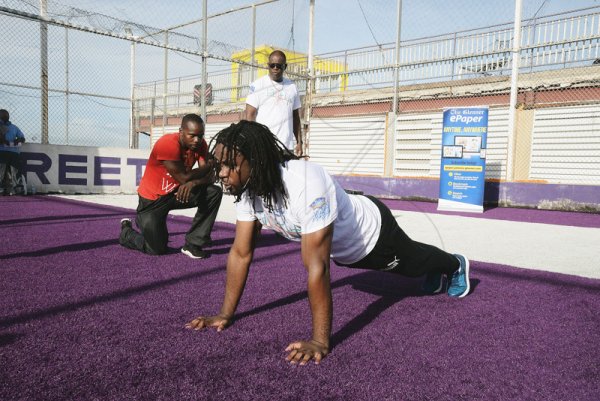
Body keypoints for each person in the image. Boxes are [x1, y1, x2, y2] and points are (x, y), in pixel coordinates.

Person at [186, 121, 471, 365]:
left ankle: (455, 264)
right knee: (415, 264)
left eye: (229, 165)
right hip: (344, 251)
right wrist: (224, 314)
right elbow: (240, 253)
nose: (222, 173)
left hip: (372, 236)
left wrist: (319, 342)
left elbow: (316, 267)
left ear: (256, 161)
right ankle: (438, 268)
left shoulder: (304, 183)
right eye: (219, 165)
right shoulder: (248, 190)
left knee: (413, 264)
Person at [119, 113, 222, 259]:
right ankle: (126, 233)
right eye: (192, 135)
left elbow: (210, 178)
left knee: (213, 192)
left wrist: (194, 183)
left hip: (178, 194)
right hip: (153, 201)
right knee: (156, 249)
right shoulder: (167, 144)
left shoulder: (200, 144)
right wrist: (207, 168)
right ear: (181, 132)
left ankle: (193, 244)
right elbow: (184, 177)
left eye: (201, 135)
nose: (197, 140)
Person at [245, 50, 303, 155]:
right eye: (272, 65)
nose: (275, 68)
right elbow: (250, 115)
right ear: (268, 66)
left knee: (287, 172)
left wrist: (299, 142)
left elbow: (296, 118)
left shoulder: (292, 87)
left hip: (286, 147)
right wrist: (253, 140)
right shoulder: (258, 85)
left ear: (285, 66)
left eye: (279, 65)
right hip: (264, 145)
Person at [0, 109, 26, 196]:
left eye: (6, 115)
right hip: (2, 151)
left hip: (14, 152)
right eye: (3, 115)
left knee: (15, 170)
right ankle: (2, 189)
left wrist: (18, 140)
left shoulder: (14, 127)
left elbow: (22, 138)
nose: (5, 117)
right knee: (1, 170)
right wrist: (3, 141)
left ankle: (17, 188)